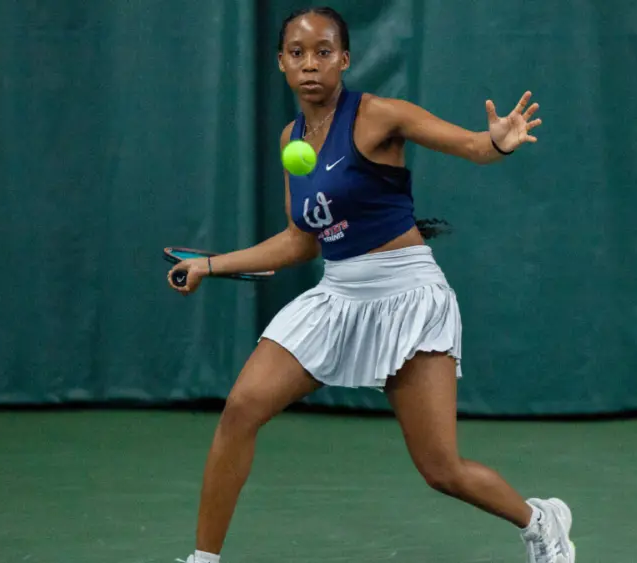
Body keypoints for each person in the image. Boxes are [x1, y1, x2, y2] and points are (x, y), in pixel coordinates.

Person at [166, 6, 574, 563]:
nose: (310, 64)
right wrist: (211, 264)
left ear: (345, 59)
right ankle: (203, 561)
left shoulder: (381, 115)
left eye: (324, 52)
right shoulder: (293, 138)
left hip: (409, 298)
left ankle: (539, 520)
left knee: (440, 469)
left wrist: (497, 140)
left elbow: (474, 147)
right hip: (338, 296)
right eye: (297, 53)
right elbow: (299, 241)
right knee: (242, 407)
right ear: (281, 63)